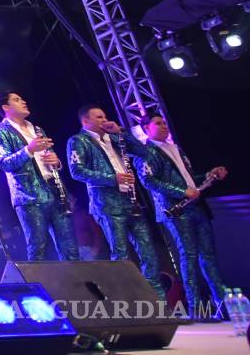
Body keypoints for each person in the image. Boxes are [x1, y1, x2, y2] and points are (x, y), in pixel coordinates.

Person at [136, 113, 229, 318]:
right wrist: (181, 192)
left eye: (164, 122)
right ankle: (196, 309)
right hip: (176, 210)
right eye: (158, 123)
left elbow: (189, 181)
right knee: (189, 257)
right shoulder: (146, 152)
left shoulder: (175, 148)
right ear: (146, 129)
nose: (164, 126)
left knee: (209, 256)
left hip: (196, 206)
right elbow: (149, 181)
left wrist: (208, 176)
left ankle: (223, 307)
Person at [66, 105, 165, 297]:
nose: (104, 120)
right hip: (107, 204)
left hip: (131, 201)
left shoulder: (114, 138)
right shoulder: (78, 140)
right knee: (120, 254)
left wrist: (121, 132)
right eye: (99, 117)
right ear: (85, 121)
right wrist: (113, 179)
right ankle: (125, 301)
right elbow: (77, 171)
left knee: (148, 252)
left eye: (104, 116)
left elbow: (144, 152)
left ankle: (156, 300)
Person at [0, 91, 80, 261]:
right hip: (29, 196)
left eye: (22, 98)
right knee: (38, 248)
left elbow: (50, 158)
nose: (23, 101)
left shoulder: (37, 129)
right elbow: (4, 163)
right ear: (6, 107)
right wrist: (29, 149)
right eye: (17, 100)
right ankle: (38, 280)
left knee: (70, 247)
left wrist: (56, 162)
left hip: (55, 192)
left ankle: (73, 279)